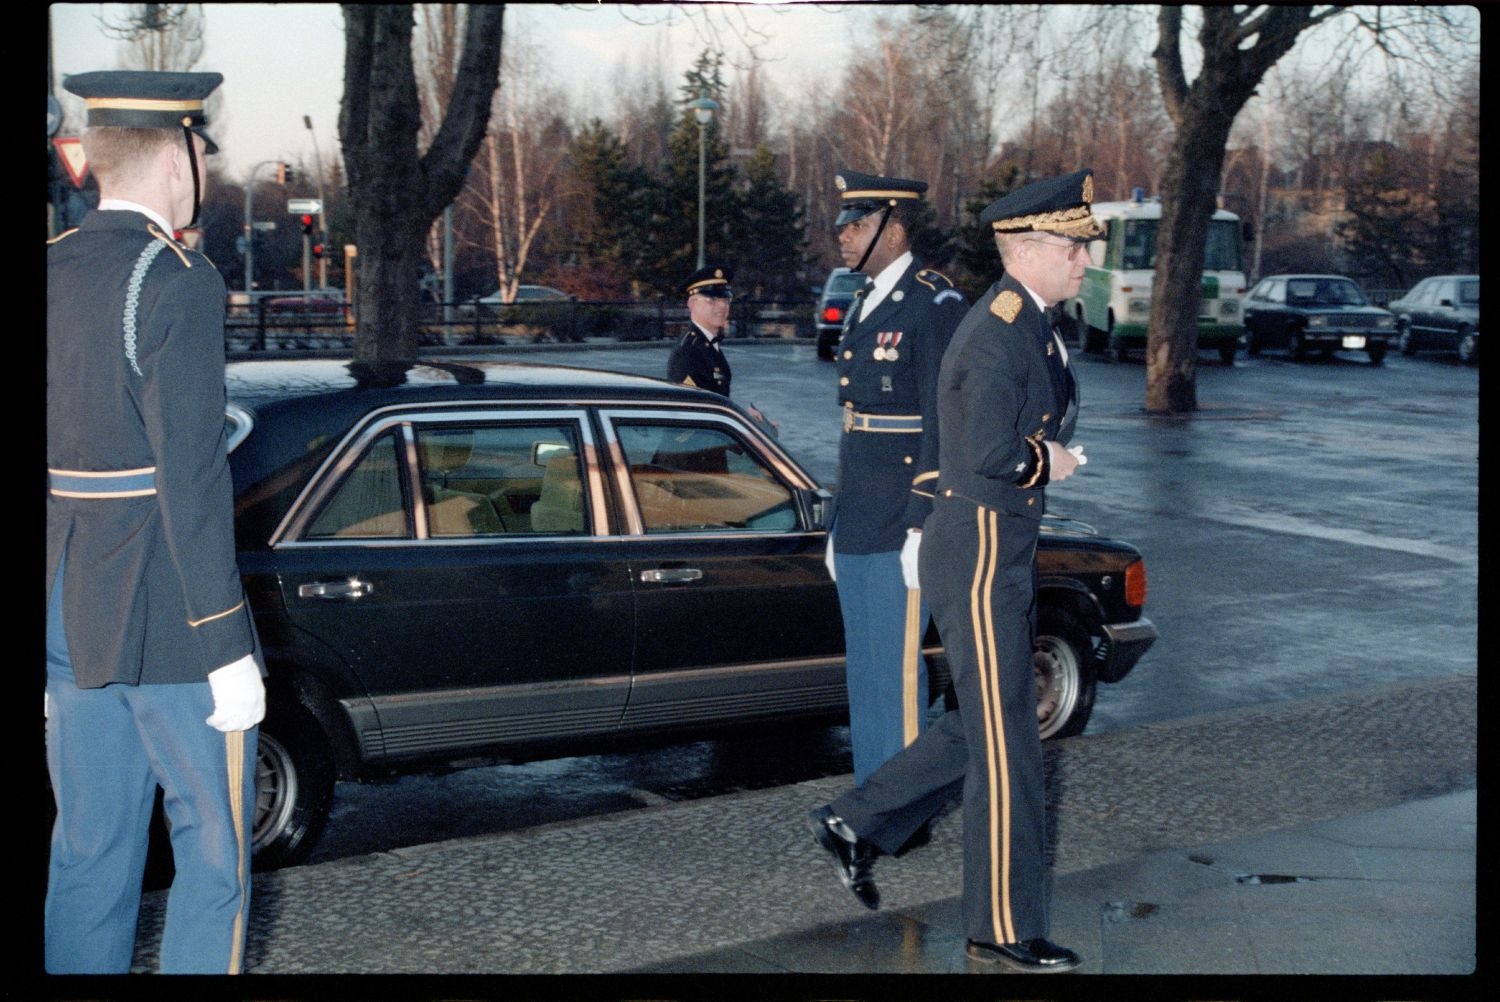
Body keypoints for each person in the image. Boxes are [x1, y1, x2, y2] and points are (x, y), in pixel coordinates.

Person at [807, 169, 1099, 973]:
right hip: (975, 550)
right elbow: (988, 452)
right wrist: (1055, 461)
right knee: (1012, 750)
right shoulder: (998, 328)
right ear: (1031, 248)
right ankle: (1001, 929)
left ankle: (857, 821)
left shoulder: (1027, 321)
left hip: (992, 546)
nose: (1085, 262)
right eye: (1075, 248)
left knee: (983, 725)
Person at [45, 70, 265, 974]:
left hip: (69, 613)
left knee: (88, 855)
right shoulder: (175, 278)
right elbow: (192, 477)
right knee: (213, 859)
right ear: (178, 155)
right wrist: (229, 646)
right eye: (201, 148)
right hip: (174, 618)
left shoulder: (54, 266)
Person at [824, 169, 967, 784]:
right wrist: (837, 522)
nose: (844, 238)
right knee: (867, 668)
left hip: (902, 518)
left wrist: (922, 520)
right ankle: (871, 800)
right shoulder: (866, 300)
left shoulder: (934, 304)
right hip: (860, 513)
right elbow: (858, 425)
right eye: (844, 227)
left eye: (857, 225)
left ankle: (898, 808)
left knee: (898, 669)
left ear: (894, 227)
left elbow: (945, 420)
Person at [668, 264, 773, 429]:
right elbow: (695, 419)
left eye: (725, 298)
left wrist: (746, 419)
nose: (722, 305)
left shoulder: (708, 345)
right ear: (692, 304)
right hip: (691, 452)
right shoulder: (687, 352)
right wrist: (746, 430)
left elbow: (715, 404)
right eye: (712, 299)